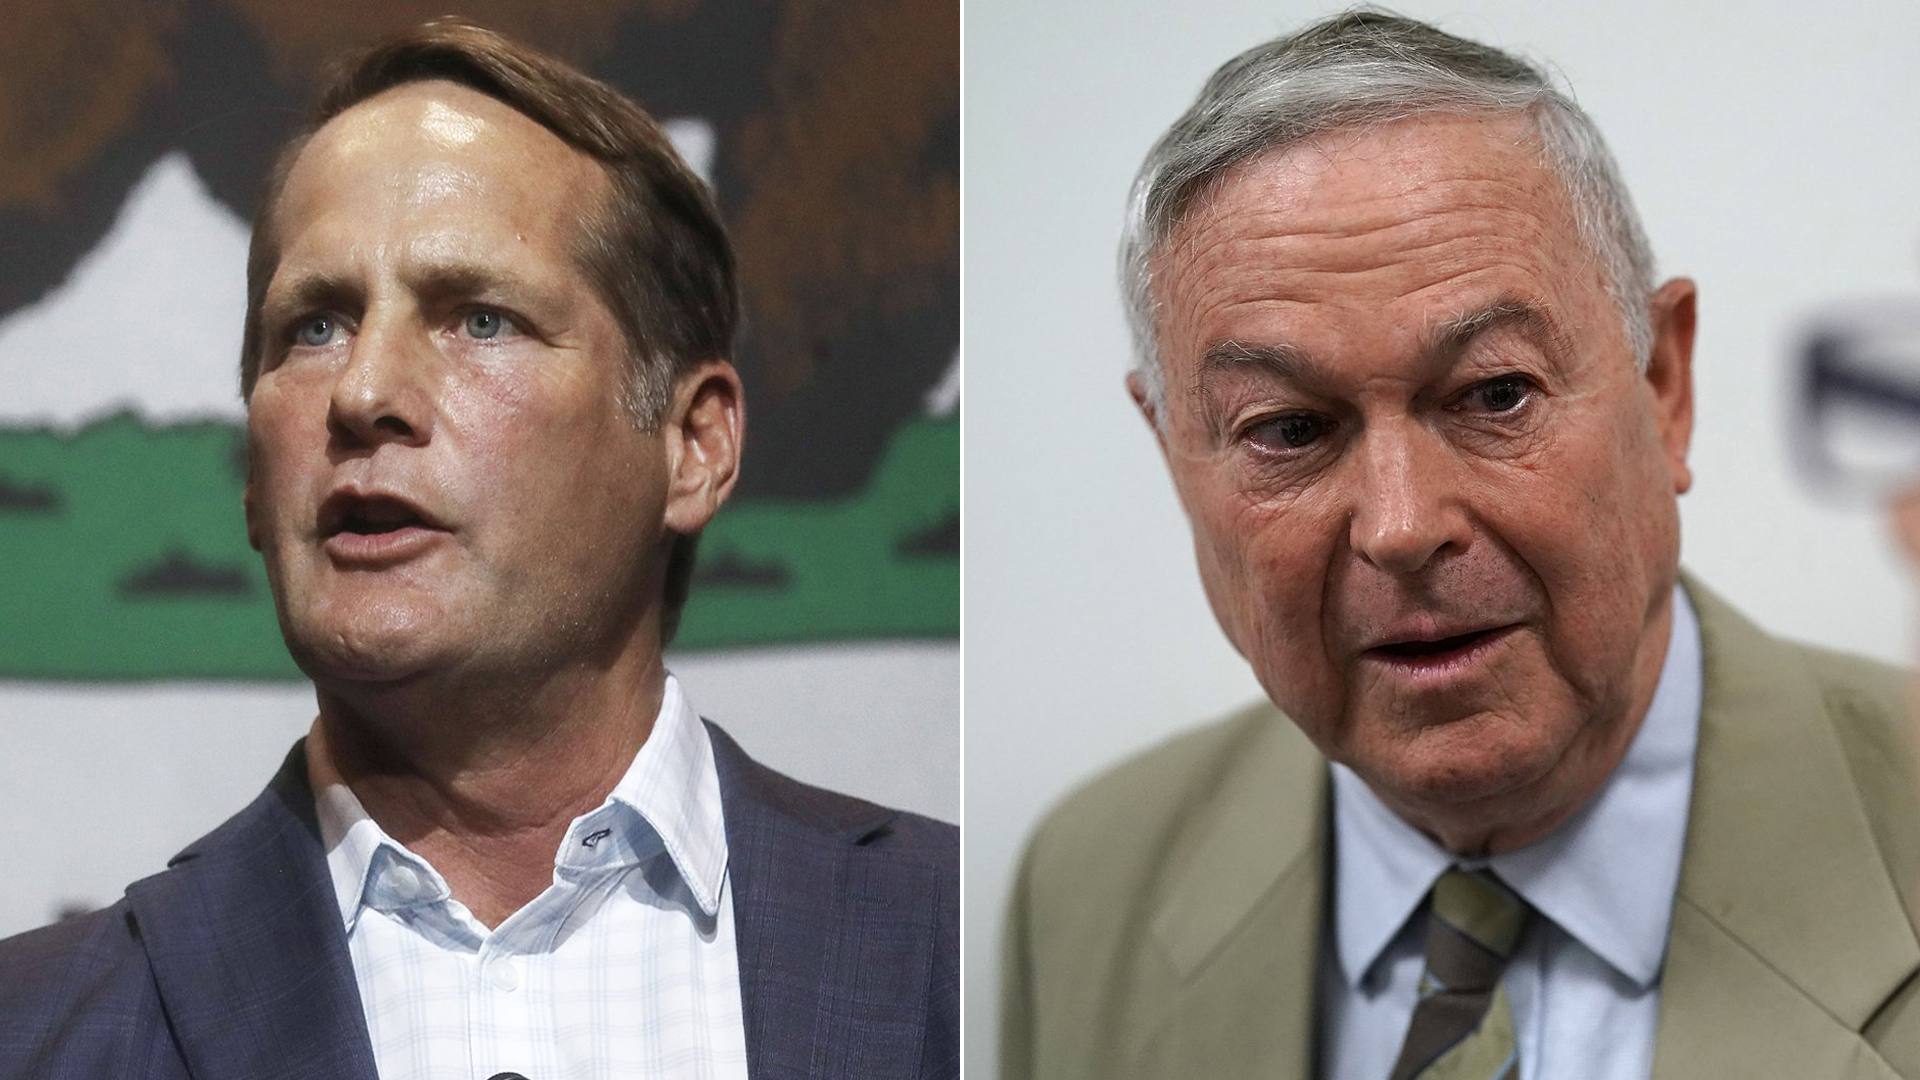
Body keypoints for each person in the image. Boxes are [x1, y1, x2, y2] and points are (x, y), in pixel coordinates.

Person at [0, 19, 956, 1079]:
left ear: (693, 447)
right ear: (254, 487)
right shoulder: (34, 1027)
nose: (361, 394)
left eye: (480, 320)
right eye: (313, 326)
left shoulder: (956, 952)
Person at [1002, 11, 1920, 1080]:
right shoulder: (1085, 890)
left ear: (1663, 386)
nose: (1400, 526)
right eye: (1291, 430)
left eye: (1495, 395)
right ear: (1173, 456)